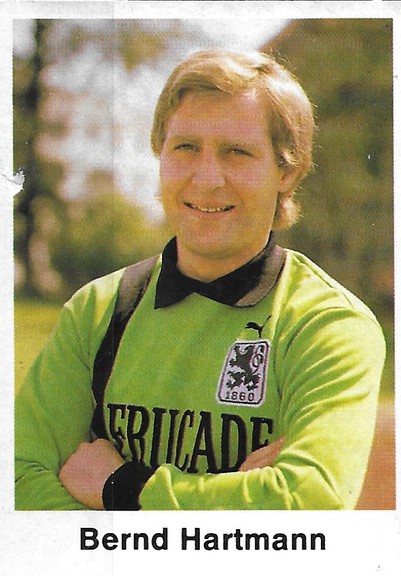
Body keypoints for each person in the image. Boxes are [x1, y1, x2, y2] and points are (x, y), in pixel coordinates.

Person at [15, 50, 385, 511]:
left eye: (237, 152)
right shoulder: (97, 309)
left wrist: (121, 489)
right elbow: (18, 480)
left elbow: (306, 504)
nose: (207, 179)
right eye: (186, 147)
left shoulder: (328, 325)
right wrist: (235, 505)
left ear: (286, 171)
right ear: (161, 156)